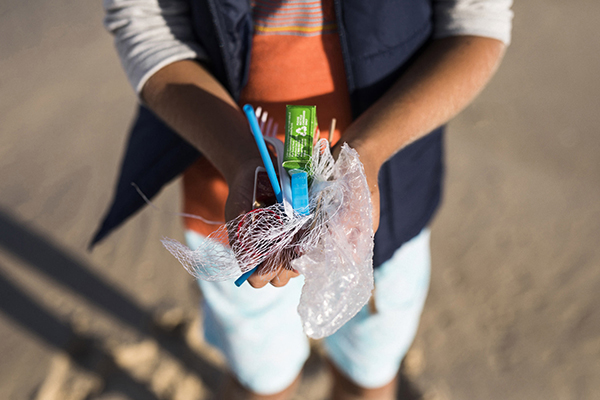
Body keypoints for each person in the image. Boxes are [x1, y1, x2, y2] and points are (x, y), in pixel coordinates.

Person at [97, 0, 513, 399]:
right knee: (259, 381)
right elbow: (144, 21)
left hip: (385, 208)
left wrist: (365, 151)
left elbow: (478, 22)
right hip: (239, 212)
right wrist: (240, 159)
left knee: (368, 376)